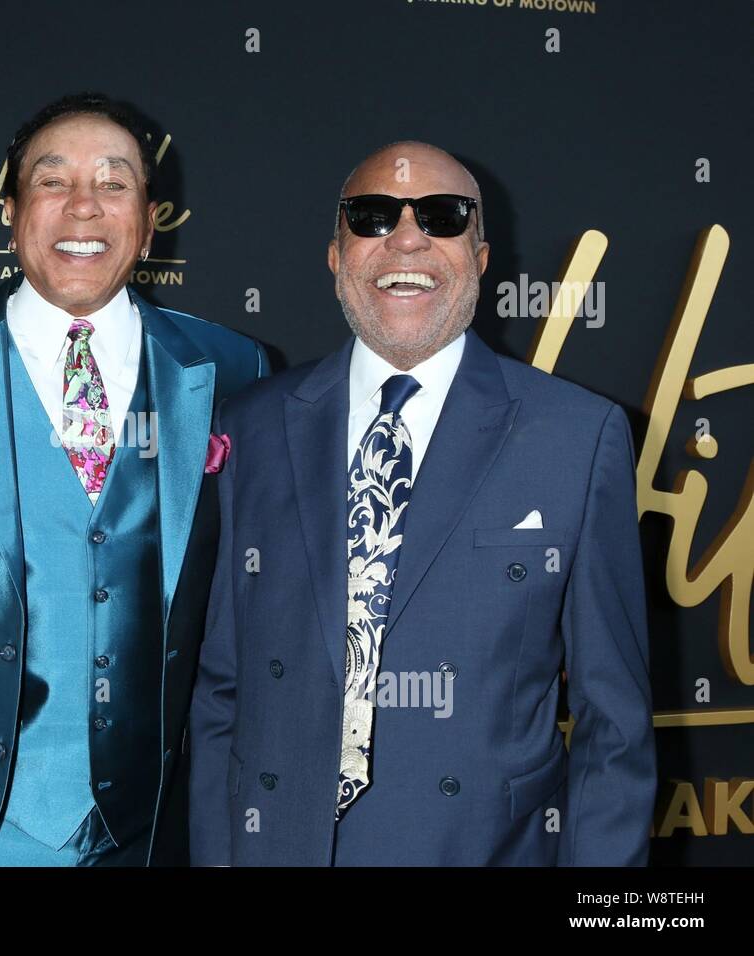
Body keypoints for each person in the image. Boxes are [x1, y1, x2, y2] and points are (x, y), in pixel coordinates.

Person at [188, 141, 656, 866]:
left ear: (480, 255)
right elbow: (223, 687)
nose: (407, 237)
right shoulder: (250, 424)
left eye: (442, 217)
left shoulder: (577, 434)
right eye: (372, 217)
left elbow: (614, 726)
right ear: (338, 256)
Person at [0, 92, 269, 866]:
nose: (84, 207)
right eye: (53, 181)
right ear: (11, 213)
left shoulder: (234, 371)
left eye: (115, 184)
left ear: (149, 222)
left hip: (152, 832)